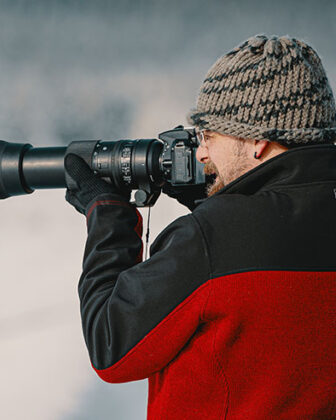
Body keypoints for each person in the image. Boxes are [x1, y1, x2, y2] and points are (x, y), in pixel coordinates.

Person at [64, 34, 335, 419]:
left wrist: (107, 214)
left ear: (257, 139)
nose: (202, 152)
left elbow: (112, 347)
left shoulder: (212, 238)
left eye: (209, 134)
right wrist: (215, 202)